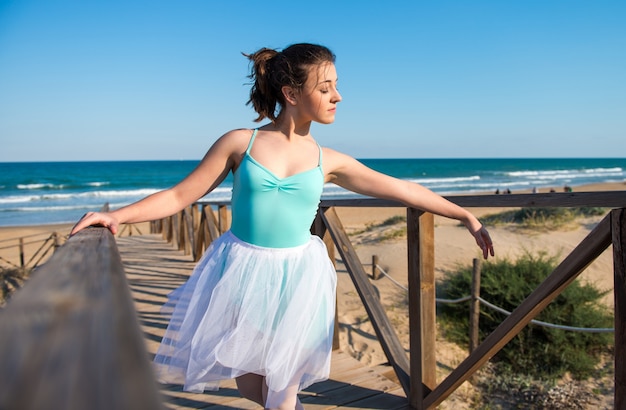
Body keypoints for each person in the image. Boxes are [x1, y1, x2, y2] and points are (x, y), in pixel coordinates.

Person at [70, 43, 494, 410]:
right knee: (250, 379)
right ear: (292, 93)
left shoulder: (330, 160)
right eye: (325, 88)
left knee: (283, 390)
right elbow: (181, 196)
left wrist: (464, 214)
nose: (338, 97)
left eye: (336, 86)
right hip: (241, 271)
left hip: (300, 278)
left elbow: (402, 189)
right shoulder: (240, 143)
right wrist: (116, 216)